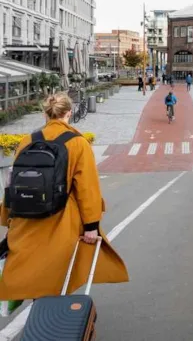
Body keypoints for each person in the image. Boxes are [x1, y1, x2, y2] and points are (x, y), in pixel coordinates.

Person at [0, 93, 129, 301]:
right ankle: (52, 323)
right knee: (58, 273)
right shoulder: (77, 143)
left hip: (26, 220)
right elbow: (87, 188)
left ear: (45, 114)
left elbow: (12, 183)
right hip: (61, 219)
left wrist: (7, 218)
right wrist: (91, 226)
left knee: (34, 274)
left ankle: (39, 316)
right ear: (70, 112)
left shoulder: (27, 141)